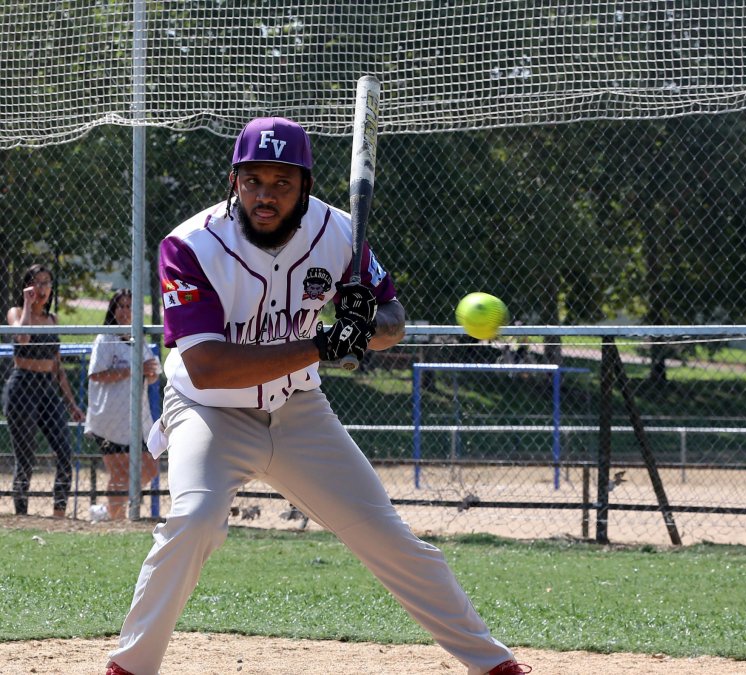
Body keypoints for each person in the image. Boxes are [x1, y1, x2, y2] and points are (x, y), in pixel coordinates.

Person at [104, 117, 529, 675]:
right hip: (209, 413)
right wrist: (324, 342)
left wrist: (365, 324)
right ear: (233, 181)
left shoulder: (342, 233)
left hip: (298, 409)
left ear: (305, 186)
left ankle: (493, 664)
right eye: (253, 180)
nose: (265, 195)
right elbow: (208, 368)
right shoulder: (189, 245)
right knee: (195, 517)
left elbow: (393, 319)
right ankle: (130, 668)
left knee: (387, 536)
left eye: (281, 183)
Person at [4, 264, 85, 517]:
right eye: (36, 282)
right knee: (25, 457)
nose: (42, 288)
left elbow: (58, 366)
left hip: (48, 389)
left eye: (46, 283)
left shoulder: (52, 320)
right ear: (27, 287)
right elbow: (23, 339)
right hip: (22, 386)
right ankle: (22, 515)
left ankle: (59, 513)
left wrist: (70, 402)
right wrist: (28, 305)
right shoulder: (16, 312)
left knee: (64, 451)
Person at [84, 289, 160, 521]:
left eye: (130, 307)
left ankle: (108, 512)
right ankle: (116, 520)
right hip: (110, 419)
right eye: (121, 306)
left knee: (149, 469)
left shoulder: (139, 339)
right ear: (113, 310)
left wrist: (151, 372)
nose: (125, 311)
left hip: (135, 418)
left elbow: (152, 374)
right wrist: (135, 369)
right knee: (119, 471)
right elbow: (96, 375)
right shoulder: (105, 338)